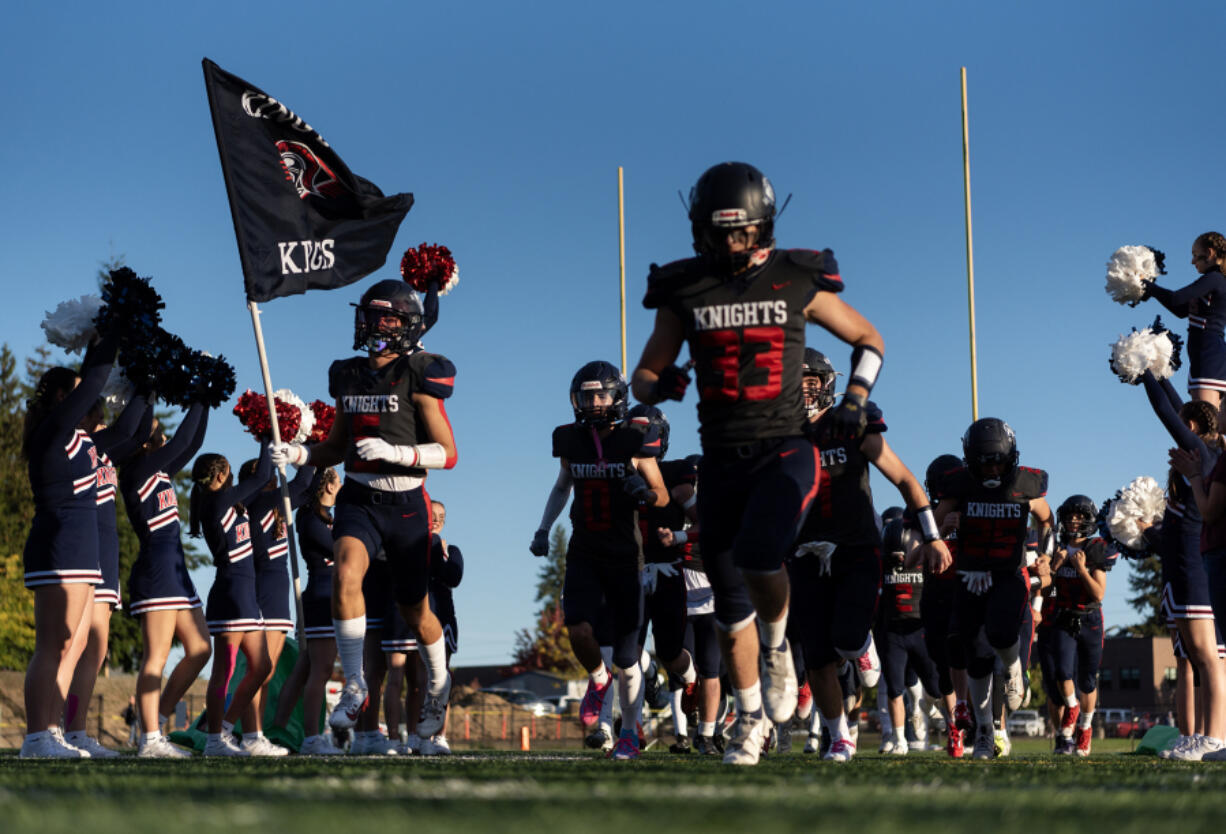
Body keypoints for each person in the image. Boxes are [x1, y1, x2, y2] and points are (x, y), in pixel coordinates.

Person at [632, 161, 885, 766]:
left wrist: (854, 398)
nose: (730, 244)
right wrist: (659, 383)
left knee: (760, 553)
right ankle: (750, 721)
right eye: (720, 233)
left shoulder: (796, 276)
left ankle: (777, 648)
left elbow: (868, 339)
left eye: (740, 232)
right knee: (726, 603)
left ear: (763, 226)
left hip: (787, 446)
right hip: (722, 457)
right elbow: (641, 376)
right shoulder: (685, 286)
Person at [272, 278, 458, 741]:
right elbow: (335, 446)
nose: (376, 325)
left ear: (407, 326)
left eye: (388, 318)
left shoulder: (420, 374)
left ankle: (439, 681)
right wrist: (298, 455)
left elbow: (448, 453)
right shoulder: (348, 374)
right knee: (345, 573)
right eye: (371, 316)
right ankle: (354, 684)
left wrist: (397, 453)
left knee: (415, 611)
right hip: (359, 497)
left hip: (406, 502)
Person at [789, 349, 950, 763]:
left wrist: (931, 537)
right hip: (804, 553)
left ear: (826, 383)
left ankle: (861, 646)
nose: (804, 388)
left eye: (811, 379)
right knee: (817, 657)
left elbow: (905, 480)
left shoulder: (851, 424)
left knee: (845, 638)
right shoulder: (779, 436)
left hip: (855, 549)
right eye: (796, 379)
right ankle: (838, 735)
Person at [530, 360, 668, 761]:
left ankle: (627, 733)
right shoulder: (570, 440)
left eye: (600, 394)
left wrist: (643, 491)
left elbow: (661, 493)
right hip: (584, 550)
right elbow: (562, 486)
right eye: (587, 395)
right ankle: (596, 678)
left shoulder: (635, 438)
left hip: (626, 556)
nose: (593, 402)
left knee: (628, 660)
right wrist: (542, 529)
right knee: (576, 628)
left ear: (617, 397)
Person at [19, 333, 118, 758]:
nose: (88, 401)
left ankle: (52, 732)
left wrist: (150, 384)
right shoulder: (53, 431)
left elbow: (128, 429)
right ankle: (37, 736)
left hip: (78, 551)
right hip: (58, 547)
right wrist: (111, 332)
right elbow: (94, 383)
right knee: (53, 644)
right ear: (62, 395)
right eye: (76, 394)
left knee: (68, 644)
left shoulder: (80, 440)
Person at [933, 418, 1053, 760]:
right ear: (971, 459)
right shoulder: (959, 484)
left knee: (1001, 635)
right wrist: (946, 526)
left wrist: (1044, 553)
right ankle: (985, 731)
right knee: (976, 657)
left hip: (1007, 573)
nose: (994, 467)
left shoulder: (1025, 483)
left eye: (999, 460)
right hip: (970, 576)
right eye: (985, 461)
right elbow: (935, 525)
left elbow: (1047, 519)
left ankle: (1014, 669)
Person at [1142, 369, 1226, 760]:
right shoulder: (1203, 453)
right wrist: (1159, 372)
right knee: (1196, 655)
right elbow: (1176, 407)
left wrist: (1143, 369)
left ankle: (1213, 736)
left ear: (1191, 427)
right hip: (1184, 563)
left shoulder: (1204, 453)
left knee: (1206, 656)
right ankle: (1204, 737)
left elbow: (1165, 411)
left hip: (1195, 562)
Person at [122, 404, 213, 758]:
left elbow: (190, 443)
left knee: (200, 648)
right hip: (157, 570)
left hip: (176, 570)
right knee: (156, 656)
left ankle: (156, 717)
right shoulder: (136, 471)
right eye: (154, 427)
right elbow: (178, 442)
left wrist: (205, 399)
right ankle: (149, 739)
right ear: (143, 441)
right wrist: (198, 394)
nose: (160, 431)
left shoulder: (158, 471)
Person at [63, 392, 150, 758]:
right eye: (98, 416)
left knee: (94, 649)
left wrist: (148, 391)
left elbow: (137, 431)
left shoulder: (107, 452)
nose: (105, 422)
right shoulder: (74, 443)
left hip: (106, 549)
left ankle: (75, 730)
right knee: (71, 643)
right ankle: (53, 726)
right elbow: (128, 429)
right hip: (83, 545)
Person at [190, 445, 276, 757]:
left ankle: (224, 728)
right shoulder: (215, 502)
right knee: (223, 670)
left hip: (246, 594)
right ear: (222, 474)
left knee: (262, 666)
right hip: (231, 594)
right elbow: (263, 474)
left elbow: (264, 483)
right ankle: (214, 739)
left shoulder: (229, 502)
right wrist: (267, 438)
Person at [627, 404, 700, 753]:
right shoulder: (616, 470)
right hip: (628, 570)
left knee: (672, 652)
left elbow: (702, 520)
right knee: (626, 651)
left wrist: (684, 537)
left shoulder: (675, 473)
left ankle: (690, 680)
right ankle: (631, 727)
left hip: (667, 570)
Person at [235, 458, 315, 756]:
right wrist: (307, 450)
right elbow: (303, 483)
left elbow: (308, 491)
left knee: (265, 672)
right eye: (264, 474)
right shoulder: (256, 504)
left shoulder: (275, 507)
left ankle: (256, 734)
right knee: (260, 670)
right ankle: (248, 734)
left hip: (279, 593)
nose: (271, 479)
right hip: (263, 592)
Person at [272, 467, 344, 755]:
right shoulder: (311, 519)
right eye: (337, 480)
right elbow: (340, 550)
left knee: (305, 666)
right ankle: (312, 737)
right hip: (321, 595)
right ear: (326, 486)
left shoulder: (330, 518)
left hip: (334, 595)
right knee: (321, 668)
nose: (341, 485)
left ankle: (278, 728)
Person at [1042, 495, 1112, 757]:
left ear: (1088, 520)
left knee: (1087, 680)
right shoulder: (1057, 547)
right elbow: (1045, 590)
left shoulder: (1095, 549)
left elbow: (1098, 594)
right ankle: (1072, 707)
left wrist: (1081, 570)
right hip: (1064, 616)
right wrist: (1056, 566)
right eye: (1069, 517)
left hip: (1090, 618)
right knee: (1062, 671)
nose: (1073, 522)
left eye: (1078, 517)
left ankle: (1084, 728)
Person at [922, 454, 972, 758]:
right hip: (936, 591)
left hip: (965, 588)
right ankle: (956, 728)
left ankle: (986, 727)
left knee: (972, 657)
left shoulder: (975, 506)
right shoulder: (924, 512)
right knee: (942, 666)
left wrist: (966, 527)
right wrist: (938, 533)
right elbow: (915, 557)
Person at [1141, 233, 1226, 412]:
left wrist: (1148, 285)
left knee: (1206, 423)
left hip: (1208, 353)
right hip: (1204, 352)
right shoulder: (1214, 280)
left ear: (1210, 253)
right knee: (1207, 422)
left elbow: (1176, 298)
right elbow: (1180, 310)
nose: (1192, 261)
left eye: (1195, 255)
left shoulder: (1215, 279)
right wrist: (1151, 290)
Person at [417, 498, 464, 755]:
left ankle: (439, 736)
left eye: (441, 516)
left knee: (441, 677)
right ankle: (418, 735)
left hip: (443, 618)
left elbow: (453, 575)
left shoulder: (450, 549)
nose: (436, 520)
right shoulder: (412, 544)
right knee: (418, 679)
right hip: (415, 616)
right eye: (432, 514)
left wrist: (437, 548)